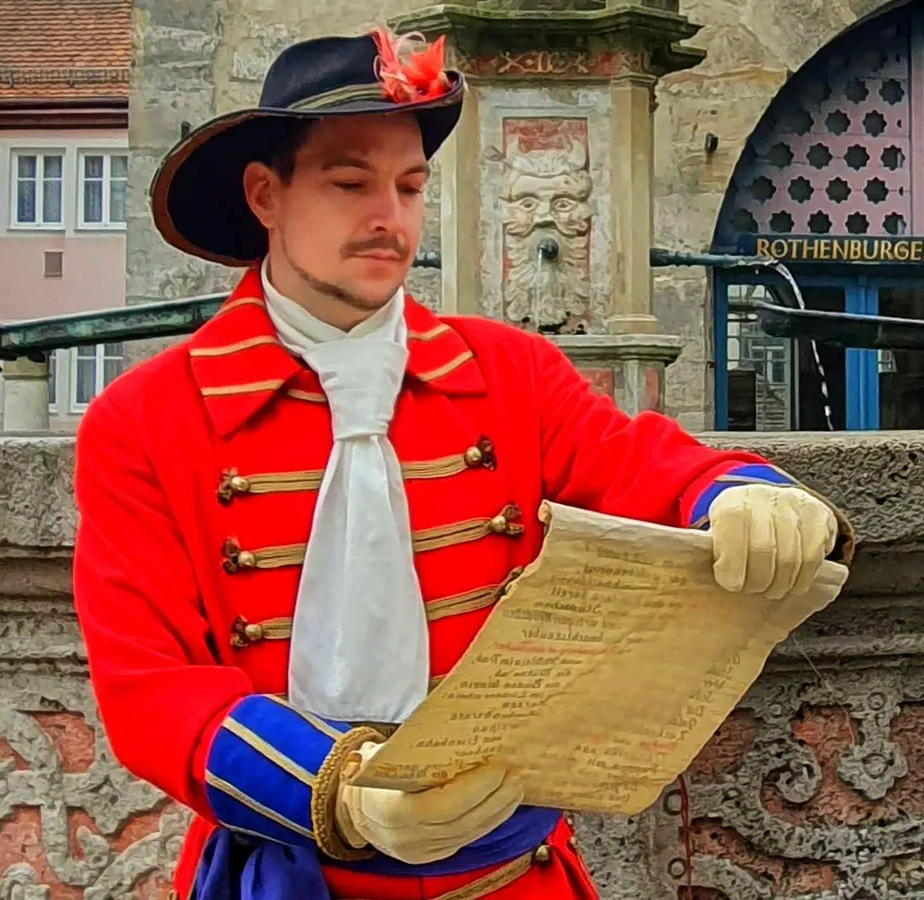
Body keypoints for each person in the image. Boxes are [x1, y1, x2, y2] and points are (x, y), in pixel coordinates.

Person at [71, 26, 854, 900]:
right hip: (287, 876)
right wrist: (343, 796)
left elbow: (642, 466)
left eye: (410, 187)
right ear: (265, 195)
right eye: (349, 183)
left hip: (510, 877)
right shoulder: (143, 421)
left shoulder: (508, 374)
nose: (389, 218)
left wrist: (744, 495)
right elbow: (152, 690)